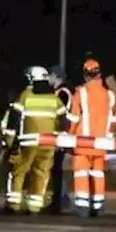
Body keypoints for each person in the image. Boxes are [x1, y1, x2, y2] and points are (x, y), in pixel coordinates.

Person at [1, 66, 66, 214]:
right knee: (41, 173)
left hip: (27, 142)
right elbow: (63, 120)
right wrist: (59, 138)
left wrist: (8, 142)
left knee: (19, 171)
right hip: (48, 143)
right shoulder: (54, 99)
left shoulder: (25, 96)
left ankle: (13, 204)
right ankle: (34, 206)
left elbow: (14, 120)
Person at [67, 58, 116, 217]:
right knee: (98, 174)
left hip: (83, 142)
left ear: (85, 75)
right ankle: (98, 205)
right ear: (99, 74)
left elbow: (74, 118)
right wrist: (109, 135)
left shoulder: (81, 93)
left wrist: (68, 136)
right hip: (101, 143)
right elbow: (114, 120)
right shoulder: (109, 95)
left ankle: (82, 206)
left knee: (81, 173)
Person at [45, 65, 74, 212]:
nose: (48, 79)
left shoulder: (62, 93)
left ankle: (58, 201)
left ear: (56, 76)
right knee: (55, 169)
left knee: (56, 169)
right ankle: (61, 199)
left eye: (49, 76)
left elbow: (61, 115)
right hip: (59, 135)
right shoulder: (60, 92)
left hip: (61, 136)